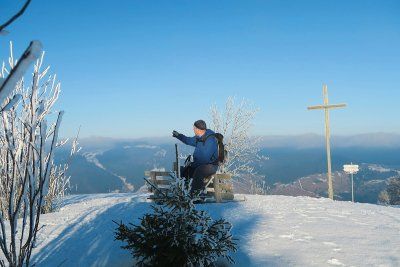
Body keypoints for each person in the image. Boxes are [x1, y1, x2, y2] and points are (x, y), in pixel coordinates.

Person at [172, 120, 219, 193]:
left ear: (198, 129)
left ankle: (196, 195)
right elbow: (189, 140)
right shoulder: (199, 137)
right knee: (185, 171)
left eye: (194, 128)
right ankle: (184, 192)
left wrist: (193, 165)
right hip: (201, 163)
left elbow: (204, 159)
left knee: (199, 171)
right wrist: (179, 136)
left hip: (211, 165)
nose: (193, 129)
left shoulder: (210, 140)